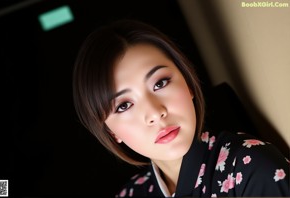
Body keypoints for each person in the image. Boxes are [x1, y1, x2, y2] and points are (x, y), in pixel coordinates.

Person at [72, 19, 289, 197]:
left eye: (160, 83)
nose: (156, 113)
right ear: (111, 132)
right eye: (124, 105)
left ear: (188, 83)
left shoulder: (255, 170)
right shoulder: (130, 194)